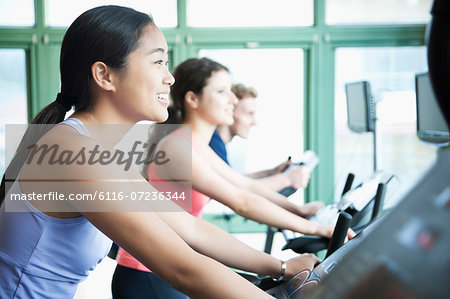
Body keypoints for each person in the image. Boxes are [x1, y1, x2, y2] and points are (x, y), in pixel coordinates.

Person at [0, 6, 321, 299]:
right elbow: (182, 267)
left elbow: (189, 227)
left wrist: (280, 266)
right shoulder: (73, 151)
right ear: (104, 76)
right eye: (158, 61)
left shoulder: (97, 150)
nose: (169, 77)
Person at [114, 57, 354, 297]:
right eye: (221, 91)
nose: (233, 100)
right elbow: (241, 201)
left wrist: (299, 212)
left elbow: (244, 185)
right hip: (148, 272)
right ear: (192, 99)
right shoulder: (177, 145)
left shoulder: (193, 143)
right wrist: (318, 229)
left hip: (170, 262)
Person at [209, 83, 312, 192]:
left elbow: (234, 179)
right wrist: (287, 179)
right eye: (249, 114)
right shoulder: (213, 144)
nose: (254, 122)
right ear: (229, 111)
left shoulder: (217, 143)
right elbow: (234, 191)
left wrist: (271, 173)